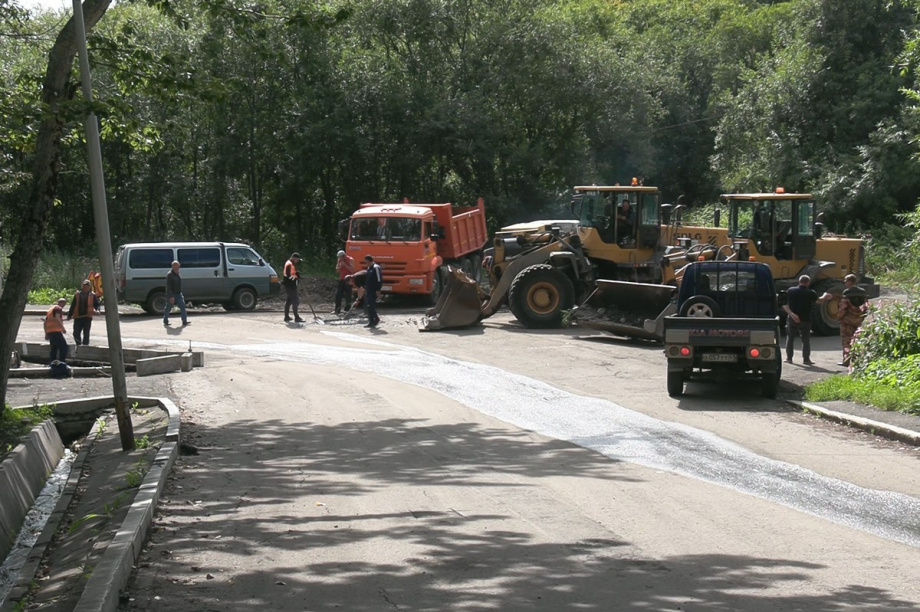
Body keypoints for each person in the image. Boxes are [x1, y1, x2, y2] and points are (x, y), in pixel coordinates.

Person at [782, 275, 833, 365]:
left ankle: (789, 358)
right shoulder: (811, 293)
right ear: (808, 283)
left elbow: (784, 304)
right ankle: (806, 360)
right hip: (805, 319)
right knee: (805, 340)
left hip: (792, 319)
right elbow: (819, 301)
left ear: (799, 281)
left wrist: (792, 314)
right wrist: (825, 296)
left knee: (790, 338)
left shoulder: (791, 290)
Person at [836, 274, 869, 368]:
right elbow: (866, 306)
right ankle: (856, 360)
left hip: (847, 322)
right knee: (857, 339)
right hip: (858, 320)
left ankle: (846, 360)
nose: (845, 283)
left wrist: (839, 317)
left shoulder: (847, 293)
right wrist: (861, 317)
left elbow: (843, 308)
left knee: (847, 341)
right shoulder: (862, 292)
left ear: (850, 282)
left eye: (846, 281)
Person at [67, 279, 101, 346]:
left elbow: (97, 305)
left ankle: (85, 346)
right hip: (78, 317)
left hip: (87, 317)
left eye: (87, 285)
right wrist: (69, 315)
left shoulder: (92, 295)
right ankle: (79, 344)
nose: (86, 287)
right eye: (85, 285)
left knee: (86, 333)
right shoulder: (77, 294)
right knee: (76, 333)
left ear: (89, 287)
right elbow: (73, 305)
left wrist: (98, 310)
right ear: (82, 286)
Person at [163, 260, 189, 327]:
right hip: (171, 294)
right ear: (173, 266)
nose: (178, 267)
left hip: (178, 293)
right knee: (168, 308)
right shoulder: (170, 275)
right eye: (177, 266)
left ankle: (184, 321)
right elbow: (169, 286)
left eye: (178, 266)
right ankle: (165, 320)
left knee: (182, 306)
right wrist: (171, 296)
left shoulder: (178, 273)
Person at [44, 297, 69, 363]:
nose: (64, 305)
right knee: (64, 347)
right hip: (56, 332)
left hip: (50, 332)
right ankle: (62, 362)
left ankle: (52, 362)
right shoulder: (58, 308)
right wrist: (63, 328)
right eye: (64, 304)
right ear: (62, 303)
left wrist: (46, 333)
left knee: (54, 349)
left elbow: (45, 322)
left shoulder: (50, 310)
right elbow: (57, 318)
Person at [282, 252, 304, 323]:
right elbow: (289, 276)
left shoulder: (291, 263)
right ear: (294, 258)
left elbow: (292, 273)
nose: (298, 261)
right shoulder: (289, 264)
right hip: (290, 285)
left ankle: (286, 317)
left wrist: (296, 274)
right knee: (295, 301)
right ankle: (296, 317)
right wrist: (296, 278)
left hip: (290, 285)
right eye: (297, 259)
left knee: (289, 301)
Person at [363, 255, 382, 328]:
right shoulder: (369, 268)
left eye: (367, 262)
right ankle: (372, 320)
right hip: (369, 289)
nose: (366, 264)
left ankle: (374, 319)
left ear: (370, 261)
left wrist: (378, 289)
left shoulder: (376, 267)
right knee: (369, 305)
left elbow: (379, 279)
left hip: (374, 290)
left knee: (371, 305)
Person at [333, 249, 355, 315]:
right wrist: (340, 266)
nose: (340, 259)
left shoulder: (350, 259)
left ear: (344, 256)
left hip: (349, 280)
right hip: (341, 279)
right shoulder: (339, 260)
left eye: (340, 257)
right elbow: (337, 270)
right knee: (338, 294)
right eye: (339, 258)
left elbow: (352, 270)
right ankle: (337, 310)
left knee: (348, 295)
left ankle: (347, 310)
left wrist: (345, 265)